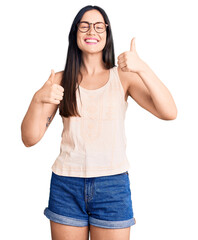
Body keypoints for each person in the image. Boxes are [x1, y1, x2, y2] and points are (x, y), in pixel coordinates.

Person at [21, 5, 177, 240]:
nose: (91, 31)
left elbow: (169, 112)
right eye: (84, 25)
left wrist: (142, 68)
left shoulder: (123, 77)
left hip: (112, 186)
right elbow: (29, 138)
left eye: (98, 26)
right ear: (75, 33)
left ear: (107, 33)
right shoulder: (60, 80)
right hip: (66, 185)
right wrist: (37, 100)